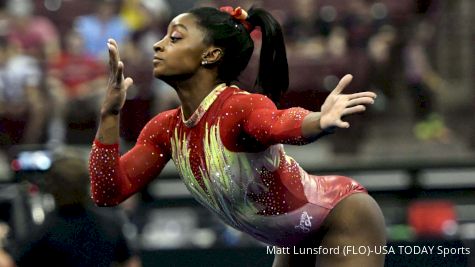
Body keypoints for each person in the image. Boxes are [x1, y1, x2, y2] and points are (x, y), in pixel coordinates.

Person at [89, 6, 385, 267]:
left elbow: (277, 124)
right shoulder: (165, 130)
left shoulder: (238, 107)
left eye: (174, 38)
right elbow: (107, 193)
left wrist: (320, 120)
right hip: (294, 239)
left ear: (211, 54)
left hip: (342, 216)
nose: (158, 45)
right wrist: (109, 116)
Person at [12, 148, 141, 267]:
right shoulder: (110, 224)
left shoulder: (44, 231)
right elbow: (131, 262)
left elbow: (11, 263)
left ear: (52, 188)